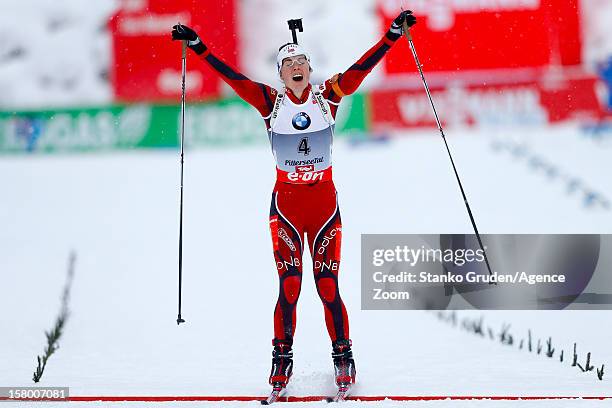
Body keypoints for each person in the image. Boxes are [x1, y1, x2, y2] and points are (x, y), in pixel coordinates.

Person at [171, 10, 417, 391]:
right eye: (288, 64)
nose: (296, 67)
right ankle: (281, 360)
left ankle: (344, 358)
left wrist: (392, 36)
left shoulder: (327, 97)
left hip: (324, 209)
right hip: (285, 210)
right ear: (281, 75)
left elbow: (359, 70)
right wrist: (199, 46)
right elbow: (233, 79)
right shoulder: (271, 103)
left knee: (328, 286)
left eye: (301, 62)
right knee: (289, 286)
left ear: (309, 68)